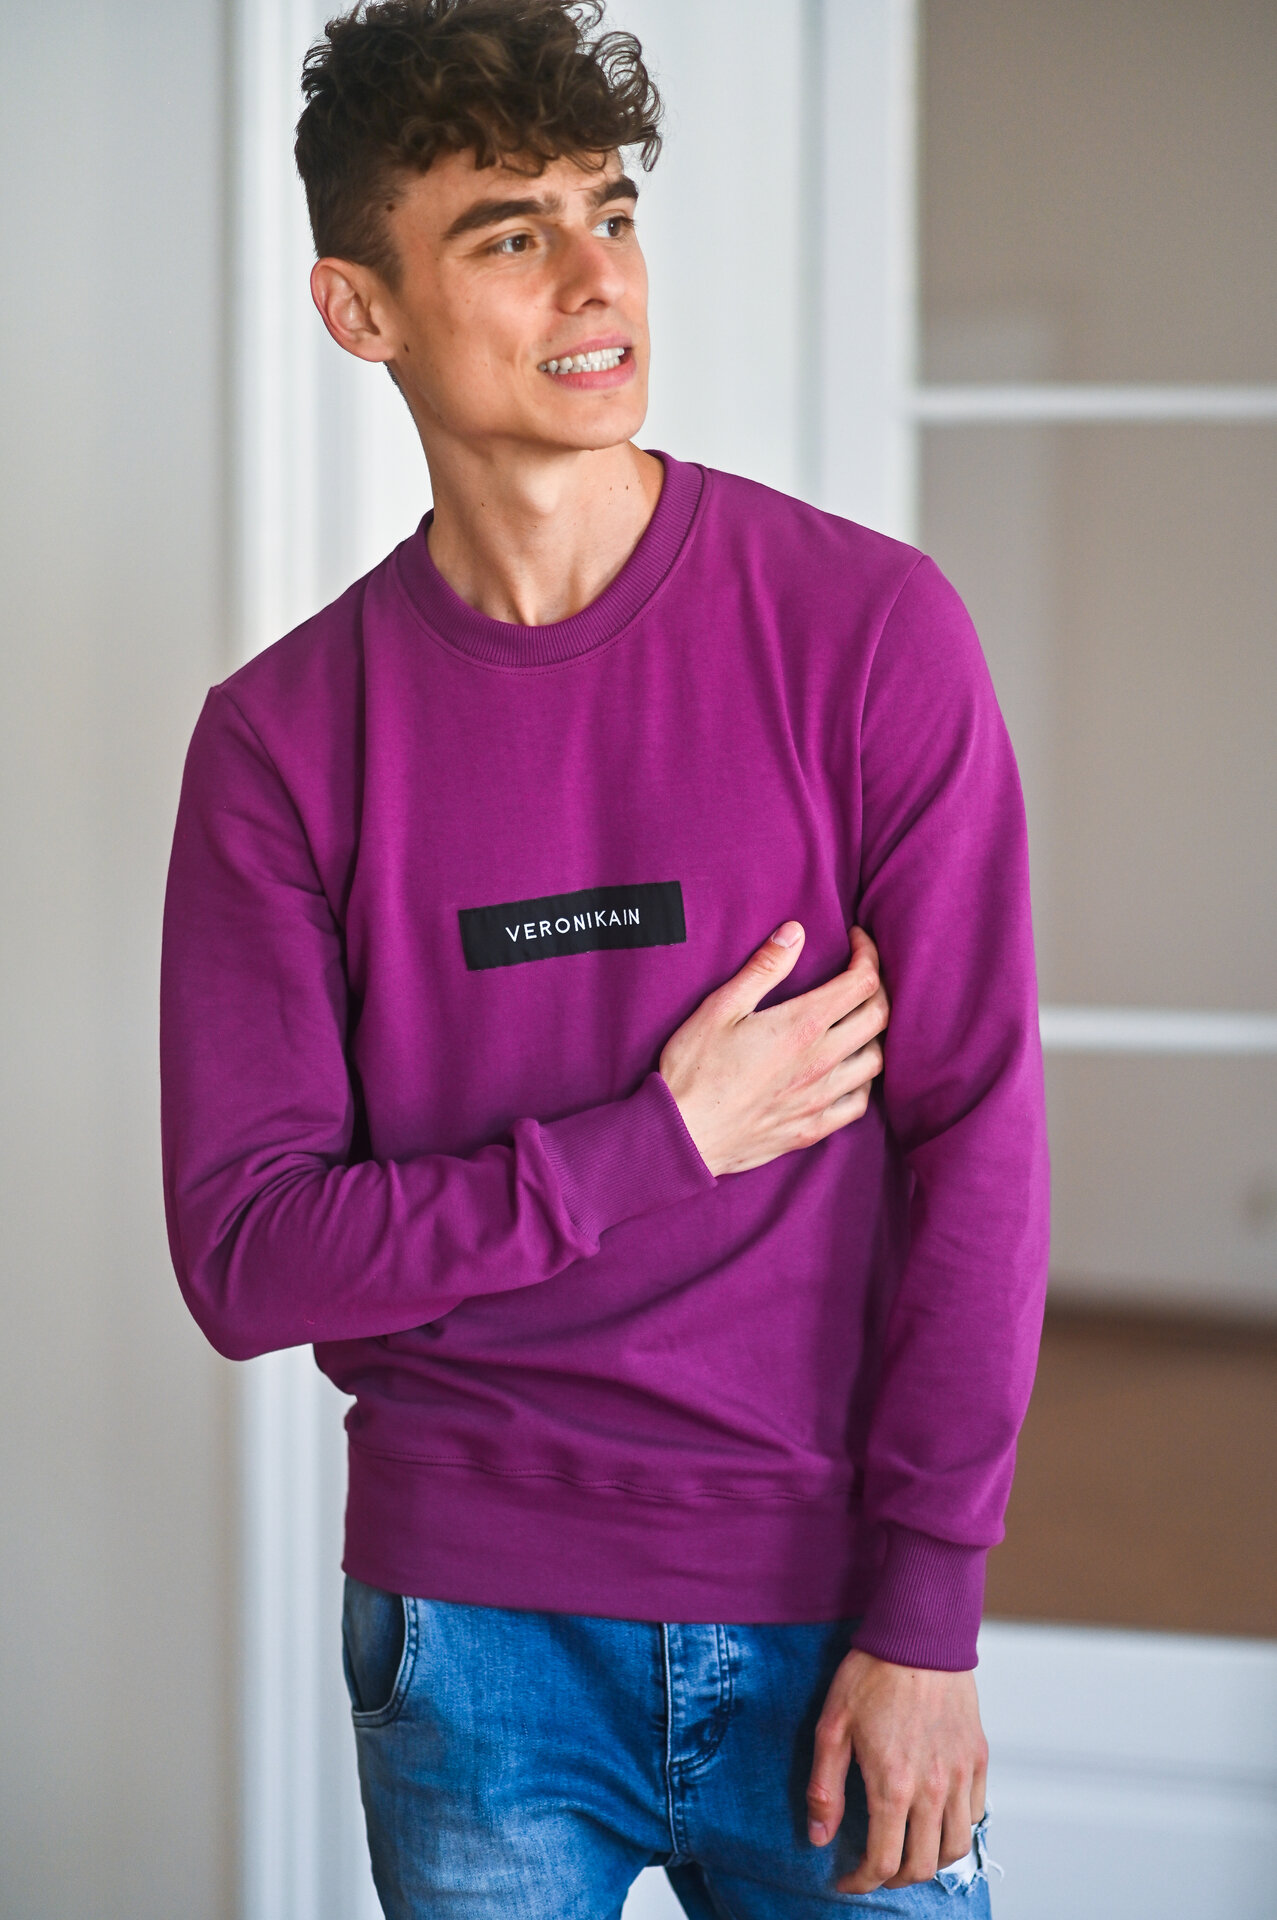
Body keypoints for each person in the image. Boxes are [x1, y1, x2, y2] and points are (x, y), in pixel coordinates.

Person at [160, 2, 1048, 1912]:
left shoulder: (867, 633)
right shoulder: (283, 743)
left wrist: (931, 1610)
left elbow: (980, 1132)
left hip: (826, 1610)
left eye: (610, 211)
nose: (596, 278)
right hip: (467, 1631)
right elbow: (245, 1260)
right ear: (360, 309)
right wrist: (661, 1141)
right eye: (511, 231)